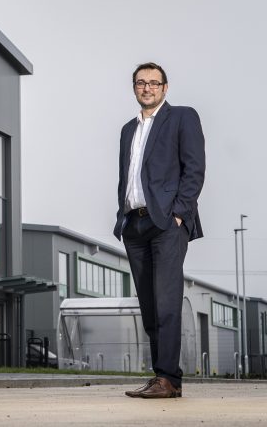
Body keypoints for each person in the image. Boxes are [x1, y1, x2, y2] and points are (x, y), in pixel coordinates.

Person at [114, 62, 205, 399]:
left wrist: (179, 214)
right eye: (141, 82)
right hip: (134, 223)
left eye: (154, 83)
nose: (147, 88)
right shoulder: (128, 129)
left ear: (165, 88)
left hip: (166, 223)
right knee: (150, 305)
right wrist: (122, 215)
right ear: (134, 88)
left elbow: (194, 169)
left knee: (166, 302)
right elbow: (126, 177)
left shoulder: (182, 117)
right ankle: (164, 378)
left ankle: (167, 378)